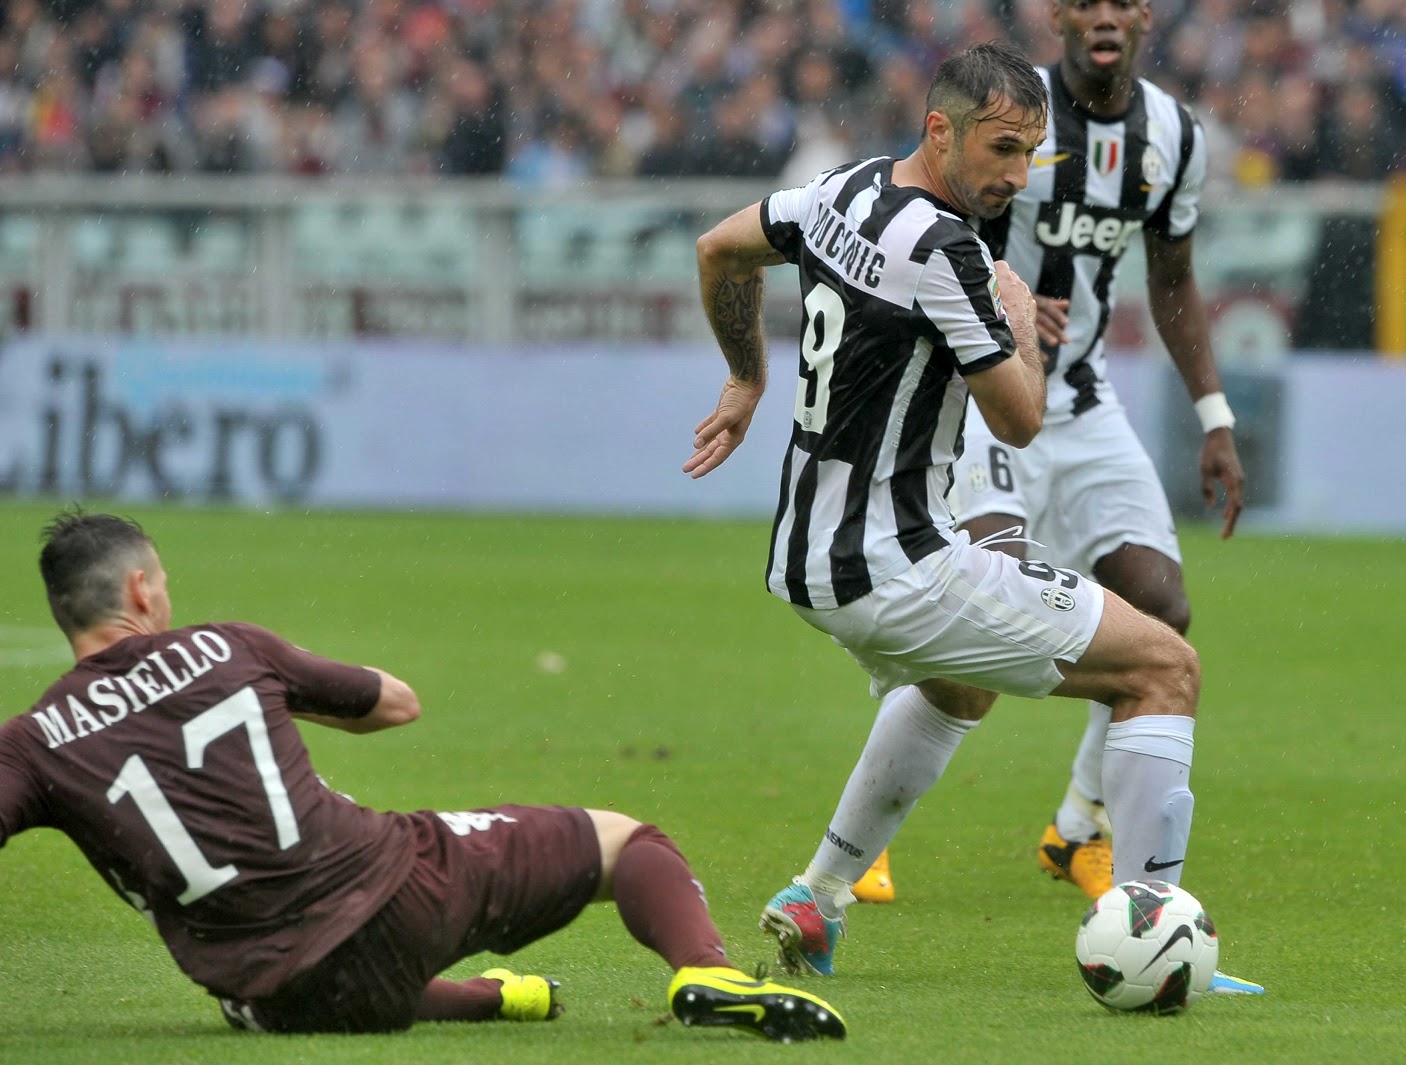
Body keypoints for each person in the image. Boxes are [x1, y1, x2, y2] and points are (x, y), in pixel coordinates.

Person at [685, 40, 1256, 993]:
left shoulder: (841, 190)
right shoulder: (950, 255)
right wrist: (1018, 314)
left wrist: (746, 377)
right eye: (1000, 149)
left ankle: (816, 895)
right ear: (939, 131)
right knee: (1166, 667)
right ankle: (1158, 932)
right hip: (899, 565)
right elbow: (1022, 421)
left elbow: (720, 248)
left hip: (811, 554)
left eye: (1029, 152)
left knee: (962, 686)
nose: (1016, 176)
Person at [0, 511, 847, 1041]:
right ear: (140, 588)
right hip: (398, 897)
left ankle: (494, 1000)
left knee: (278, 987)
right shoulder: (227, 647)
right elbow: (394, 704)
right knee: (626, 842)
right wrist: (271, 694)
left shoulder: (34, 742)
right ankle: (705, 967)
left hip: (271, 989)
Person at [855, 0, 1251, 922]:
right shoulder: (1012, 112)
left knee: (1163, 609)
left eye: (1121, 1)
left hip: (1085, 400)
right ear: (1062, 15)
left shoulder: (1175, 136)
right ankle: (865, 842)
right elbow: (931, 212)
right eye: (1087, 1)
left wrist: (1214, 414)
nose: (1105, 16)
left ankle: (1079, 827)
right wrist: (1003, 295)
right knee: (977, 616)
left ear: (1143, 16)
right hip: (990, 396)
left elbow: (1173, 276)